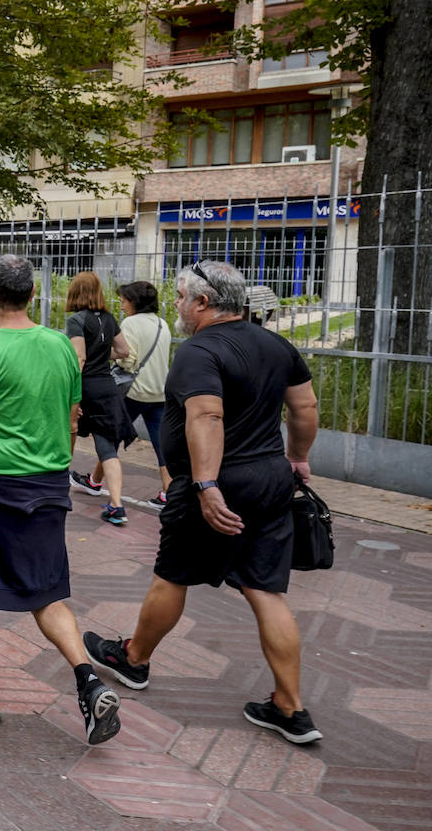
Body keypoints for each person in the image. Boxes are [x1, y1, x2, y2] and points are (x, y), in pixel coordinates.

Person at [83, 261, 322, 745]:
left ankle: (133, 659)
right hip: (271, 479)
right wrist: (297, 457)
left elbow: (207, 415)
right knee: (265, 590)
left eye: (181, 297)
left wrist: (206, 485)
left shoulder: (199, 351)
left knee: (173, 575)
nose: (177, 305)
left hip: (214, 483)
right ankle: (291, 708)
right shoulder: (277, 346)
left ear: (204, 303)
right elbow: (305, 407)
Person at [0, 254, 122, 745]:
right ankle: (88, 677)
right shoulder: (61, 346)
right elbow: (72, 412)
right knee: (47, 593)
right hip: (50, 484)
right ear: (33, 296)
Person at [64, 272, 135, 526]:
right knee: (107, 448)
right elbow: (124, 351)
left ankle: (60, 490)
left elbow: (79, 359)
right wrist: (103, 356)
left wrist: (74, 397)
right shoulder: (109, 318)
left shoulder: (76, 320)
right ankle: (117, 506)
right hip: (107, 388)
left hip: (86, 388)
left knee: (68, 434)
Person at [96, 281, 171, 509]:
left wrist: (101, 353)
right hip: (159, 392)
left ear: (135, 301)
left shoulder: (130, 323)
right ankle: (169, 493)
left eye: (124, 301)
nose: (121, 305)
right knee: (162, 446)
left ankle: (97, 484)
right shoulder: (162, 324)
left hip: (134, 391)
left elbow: (127, 359)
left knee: (109, 438)